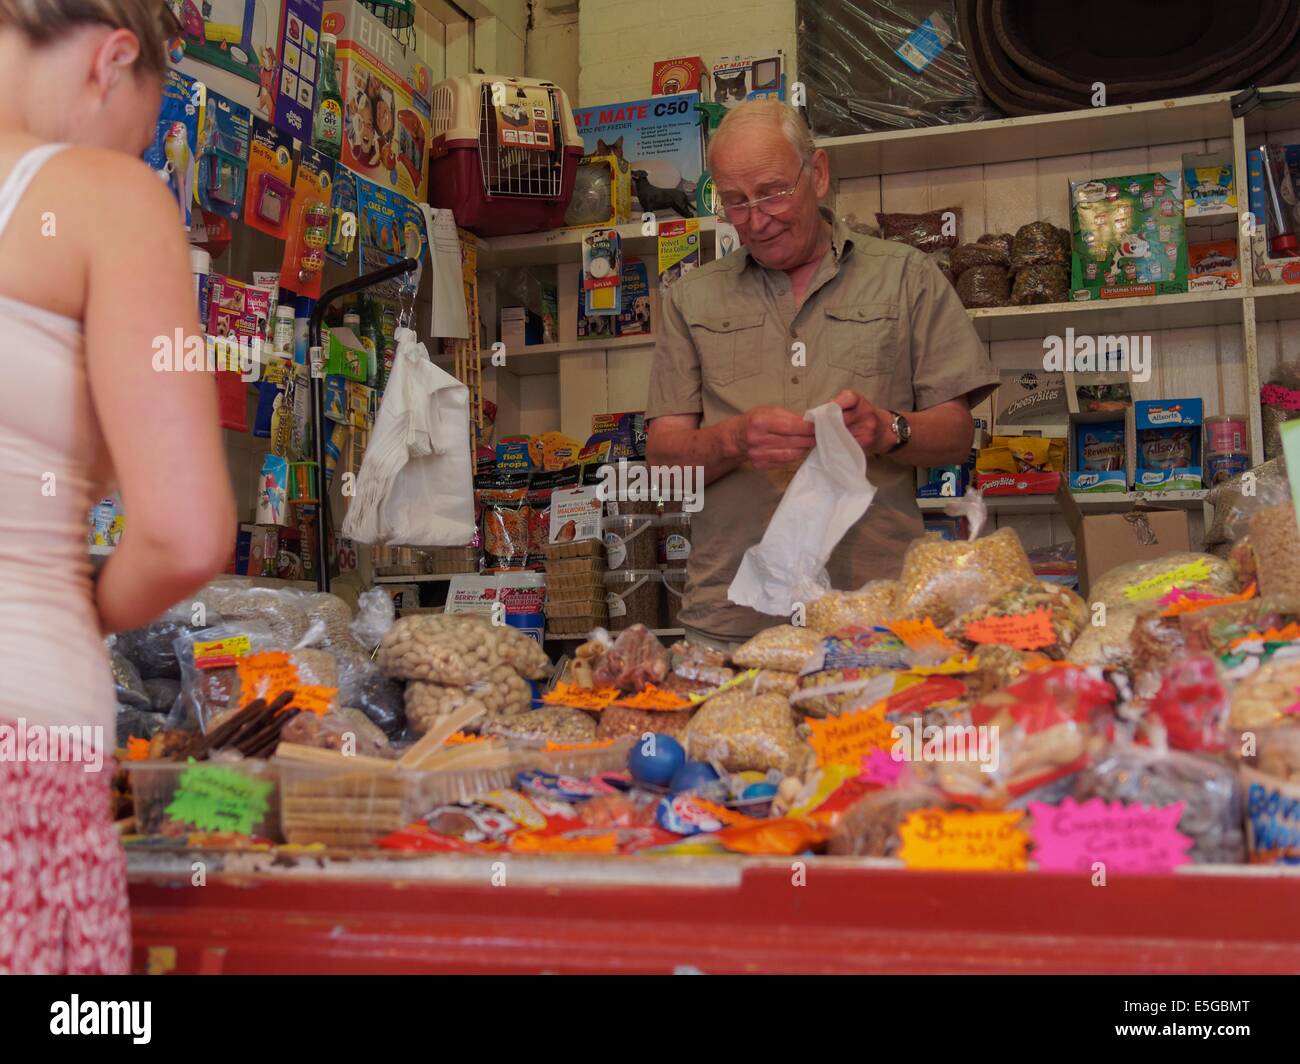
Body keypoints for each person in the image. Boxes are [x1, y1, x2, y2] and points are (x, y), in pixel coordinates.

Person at [0, 0, 236, 973]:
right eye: (139, 138)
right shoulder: (107, 200)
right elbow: (185, 533)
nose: (129, 159)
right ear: (112, 60)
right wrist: (82, 602)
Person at [646, 100, 998, 651]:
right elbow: (665, 465)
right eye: (735, 201)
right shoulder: (690, 298)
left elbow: (955, 436)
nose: (756, 219)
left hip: (876, 612)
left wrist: (888, 430)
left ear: (818, 174)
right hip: (732, 619)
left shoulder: (907, 277)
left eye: (773, 192)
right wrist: (733, 440)